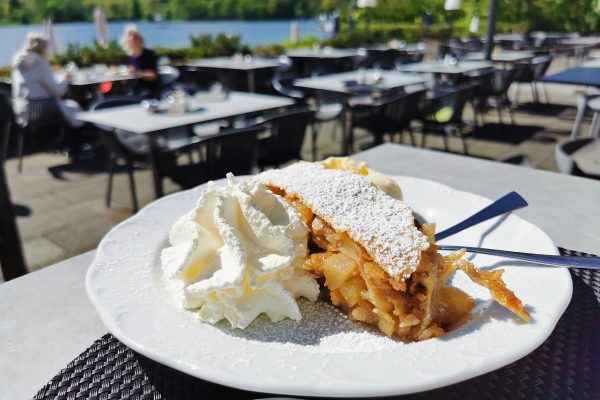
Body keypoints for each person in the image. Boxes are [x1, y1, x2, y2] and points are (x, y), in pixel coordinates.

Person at [11, 32, 83, 129]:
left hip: (21, 110)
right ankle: (79, 137)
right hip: (41, 109)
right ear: (43, 49)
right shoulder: (40, 63)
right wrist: (65, 78)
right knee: (74, 108)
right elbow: (59, 91)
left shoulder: (19, 61)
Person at [121, 25, 159, 98]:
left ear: (140, 39)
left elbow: (153, 75)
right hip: (132, 90)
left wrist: (137, 73)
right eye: (130, 37)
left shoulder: (149, 54)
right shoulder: (128, 57)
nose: (132, 39)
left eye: (134, 37)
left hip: (148, 89)